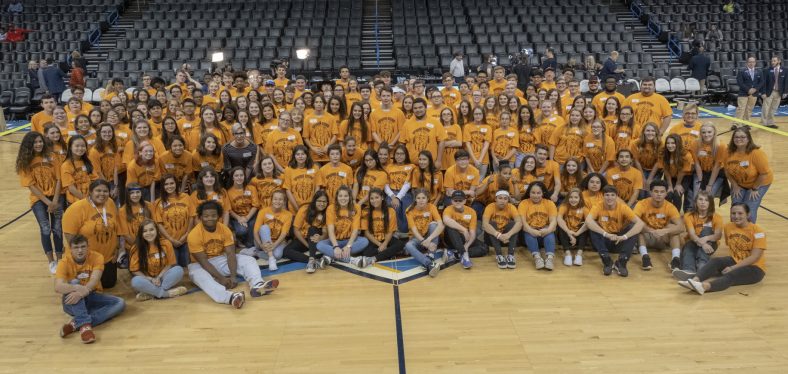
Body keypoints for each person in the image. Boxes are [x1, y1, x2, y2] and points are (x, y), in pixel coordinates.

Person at [187, 200, 279, 308]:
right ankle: (230, 297)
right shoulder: (194, 235)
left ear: (219, 216)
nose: (210, 218)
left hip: (220, 259)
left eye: (213, 215)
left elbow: (231, 254)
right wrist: (221, 278)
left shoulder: (224, 229)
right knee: (197, 274)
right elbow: (203, 262)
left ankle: (257, 285)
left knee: (248, 260)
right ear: (200, 217)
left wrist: (233, 276)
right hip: (200, 265)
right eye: (206, 216)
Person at [675, 203, 765, 295]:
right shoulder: (728, 227)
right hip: (735, 260)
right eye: (733, 213)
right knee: (716, 261)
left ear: (748, 214)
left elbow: (754, 257)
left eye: (740, 213)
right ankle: (694, 281)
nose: (736, 216)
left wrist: (732, 267)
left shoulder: (758, 231)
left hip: (755, 268)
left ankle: (704, 287)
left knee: (731, 275)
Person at [54, 234, 125, 344]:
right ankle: (85, 328)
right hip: (71, 302)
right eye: (76, 247)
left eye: (83, 247)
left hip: (92, 295)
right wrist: (76, 288)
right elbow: (58, 287)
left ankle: (75, 324)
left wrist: (83, 292)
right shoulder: (63, 262)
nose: (80, 250)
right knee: (74, 282)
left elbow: (95, 280)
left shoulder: (97, 257)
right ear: (70, 249)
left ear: (88, 247)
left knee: (120, 303)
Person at [16, 131, 64, 273]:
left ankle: (60, 260)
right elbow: (31, 185)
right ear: (28, 145)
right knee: (45, 229)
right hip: (38, 199)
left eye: (40, 141)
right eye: (35, 142)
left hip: (56, 196)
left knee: (57, 229)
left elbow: (59, 179)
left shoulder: (52, 156)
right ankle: (51, 262)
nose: (38, 144)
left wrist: (54, 200)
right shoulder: (25, 161)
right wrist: (47, 202)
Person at [63, 180, 119, 289]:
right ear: (90, 192)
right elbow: (71, 239)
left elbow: (116, 229)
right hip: (87, 261)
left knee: (109, 284)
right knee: (88, 288)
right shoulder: (75, 209)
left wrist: (116, 249)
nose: (102, 194)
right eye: (98, 191)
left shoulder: (111, 203)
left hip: (107, 258)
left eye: (105, 191)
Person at [585, 185, 645, 276]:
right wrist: (606, 234)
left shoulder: (623, 207)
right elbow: (588, 221)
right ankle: (606, 260)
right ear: (603, 196)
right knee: (592, 227)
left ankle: (622, 261)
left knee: (633, 228)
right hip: (604, 240)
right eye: (607, 195)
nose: (610, 198)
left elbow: (640, 223)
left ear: (616, 196)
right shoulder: (597, 206)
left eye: (612, 195)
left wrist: (624, 237)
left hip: (619, 240)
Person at [129, 219, 187, 301]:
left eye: (151, 229)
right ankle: (165, 294)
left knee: (179, 270)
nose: (149, 233)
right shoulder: (135, 248)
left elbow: (169, 264)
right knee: (135, 281)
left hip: (162, 277)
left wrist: (159, 277)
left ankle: (152, 293)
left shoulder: (166, 243)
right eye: (145, 231)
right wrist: (151, 279)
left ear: (157, 230)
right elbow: (135, 270)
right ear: (141, 234)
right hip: (147, 279)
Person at [633, 180, 684, 271]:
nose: (659, 194)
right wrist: (651, 230)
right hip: (647, 236)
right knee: (638, 227)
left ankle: (675, 259)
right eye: (656, 191)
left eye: (662, 192)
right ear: (650, 192)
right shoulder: (642, 204)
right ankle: (645, 257)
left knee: (673, 229)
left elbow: (680, 227)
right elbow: (634, 220)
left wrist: (665, 231)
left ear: (666, 193)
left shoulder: (670, 207)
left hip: (662, 237)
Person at [723, 127, 772, 223]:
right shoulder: (728, 152)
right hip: (739, 183)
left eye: (742, 137)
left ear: (748, 139)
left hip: (759, 183)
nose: (739, 139)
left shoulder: (757, 153)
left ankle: (748, 233)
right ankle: (734, 231)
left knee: (749, 208)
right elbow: (726, 170)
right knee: (735, 207)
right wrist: (734, 185)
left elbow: (764, 173)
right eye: (736, 137)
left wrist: (754, 188)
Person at [315, 186, 369, 266]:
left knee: (364, 241)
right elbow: (330, 231)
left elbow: (355, 230)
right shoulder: (331, 208)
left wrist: (349, 246)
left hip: (349, 240)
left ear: (350, 197)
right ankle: (352, 260)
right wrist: (335, 246)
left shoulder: (356, 207)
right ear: (336, 197)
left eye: (346, 196)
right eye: (340, 196)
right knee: (320, 245)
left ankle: (331, 256)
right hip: (334, 241)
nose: (343, 198)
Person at [675, 190, 723, 277]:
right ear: (696, 202)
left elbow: (718, 235)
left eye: (706, 200)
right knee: (688, 248)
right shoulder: (688, 216)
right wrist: (703, 243)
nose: (703, 202)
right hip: (693, 242)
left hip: (710, 244)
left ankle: (702, 265)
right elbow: (692, 234)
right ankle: (689, 271)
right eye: (700, 199)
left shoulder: (717, 217)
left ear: (710, 203)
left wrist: (705, 239)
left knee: (707, 230)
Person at [281, 190, 329, 273]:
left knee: (312, 229)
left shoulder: (327, 212)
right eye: (319, 201)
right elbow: (296, 230)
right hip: (304, 238)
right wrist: (308, 245)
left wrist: (321, 237)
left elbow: (325, 232)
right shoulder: (304, 209)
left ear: (327, 202)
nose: (322, 204)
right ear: (314, 201)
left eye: (324, 201)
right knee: (286, 251)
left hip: (316, 238)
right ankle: (314, 261)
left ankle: (311, 259)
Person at [153, 174, 195, 267]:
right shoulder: (158, 202)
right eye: (166, 184)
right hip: (168, 241)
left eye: (172, 183)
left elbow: (192, 217)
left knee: (186, 264)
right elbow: (159, 225)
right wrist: (171, 240)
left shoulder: (186, 197)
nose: (169, 186)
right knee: (173, 267)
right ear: (163, 187)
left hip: (185, 239)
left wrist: (186, 235)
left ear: (176, 184)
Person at [404, 189, 445, 277]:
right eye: (418, 198)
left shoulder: (432, 207)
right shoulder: (409, 210)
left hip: (428, 238)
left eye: (423, 198)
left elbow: (441, 225)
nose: (421, 200)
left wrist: (429, 240)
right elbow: (414, 230)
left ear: (427, 199)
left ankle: (431, 255)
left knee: (434, 225)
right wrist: (423, 241)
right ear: (415, 199)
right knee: (408, 245)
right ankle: (429, 263)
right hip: (417, 238)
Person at [359, 188, 405, 267]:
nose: (374, 200)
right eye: (372, 198)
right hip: (373, 240)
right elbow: (366, 233)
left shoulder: (390, 211)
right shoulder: (365, 211)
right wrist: (379, 244)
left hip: (386, 238)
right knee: (366, 253)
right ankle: (389, 253)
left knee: (400, 244)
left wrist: (385, 243)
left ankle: (374, 258)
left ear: (382, 198)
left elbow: (390, 231)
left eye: (377, 197)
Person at [518, 182, 558, 270]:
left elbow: (553, 222)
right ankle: (537, 258)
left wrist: (547, 230)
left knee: (550, 232)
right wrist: (532, 231)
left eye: (538, 193)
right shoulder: (523, 203)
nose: (536, 195)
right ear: (529, 193)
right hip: (529, 232)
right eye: (533, 193)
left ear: (543, 193)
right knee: (528, 233)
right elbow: (523, 224)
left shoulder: (549, 203)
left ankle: (550, 259)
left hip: (544, 231)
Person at [443, 190, 487, 269]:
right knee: (450, 227)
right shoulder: (448, 209)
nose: (458, 202)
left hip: (464, 238)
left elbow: (472, 233)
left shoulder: (471, 211)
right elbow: (446, 220)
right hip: (451, 238)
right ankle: (463, 255)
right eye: (455, 200)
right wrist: (464, 230)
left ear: (464, 201)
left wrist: (467, 245)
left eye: (460, 200)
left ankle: (455, 254)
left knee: (484, 248)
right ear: (452, 201)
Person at [251, 190, 292, 271]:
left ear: (284, 201)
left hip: (277, 242)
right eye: (275, 199)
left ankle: (255, 252)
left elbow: (284, 233)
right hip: (261, 242)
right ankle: (271, 259)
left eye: (280, 199)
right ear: (271, 200)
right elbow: (255, 231)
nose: (277, 201)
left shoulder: (288, 215)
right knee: (264, 227)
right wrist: (260, 244)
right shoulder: (262, 212)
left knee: (278, 256)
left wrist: (275, 244)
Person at [483, 190, 522, 269]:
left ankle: (510, 255)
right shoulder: (490, 207)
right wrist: (498, 235)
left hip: (506, 239)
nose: (502, 201)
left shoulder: (511, 207)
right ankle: (499, 255)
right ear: (495, 199)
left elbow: (519, 223)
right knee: (491, 223)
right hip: (493, 239)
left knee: (513, 224)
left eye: (505, 199)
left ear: (508, 200)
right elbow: (485, 224)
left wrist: (508, 234)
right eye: (500, 198)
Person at [557, 188, 589, 266]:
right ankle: (567, 254)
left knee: (585, 225)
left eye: (576, 197)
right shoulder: (563, 206)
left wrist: (577, 233)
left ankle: (579, 254)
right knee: (561, 225)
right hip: (566, 235)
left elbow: (589, 223)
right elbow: (559, 219)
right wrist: (569, 233)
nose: (573, 199)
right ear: (568, 198)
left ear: (580, 199)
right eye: (571, 197)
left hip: (578, 235)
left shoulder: (584, 209)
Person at [759, 56, 787, 129]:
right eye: (772, 61)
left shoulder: (785, 70)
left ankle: (770, 122)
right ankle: (763, 123)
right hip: (769, 92)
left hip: (779, 92)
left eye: (774, 61)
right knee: (765, 108)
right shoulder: (767, 70)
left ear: (779, 61)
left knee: (773, 108)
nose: (772, 62)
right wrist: (763, 92)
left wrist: (785, 92)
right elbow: (764, 82)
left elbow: (786, 82)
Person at [735, 57, 764, 123]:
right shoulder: (741, 71)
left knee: (749, 109)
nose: (751, 63)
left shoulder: (759, 71)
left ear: (755, 63)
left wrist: (755, 89)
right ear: (747, 63)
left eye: (753, 62)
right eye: (750, 62)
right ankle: (736, 124)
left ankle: (746, 123)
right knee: (741, 109)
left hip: (754, 93)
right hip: (743, 93)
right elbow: (740, 82)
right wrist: (748, 89)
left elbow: (761, 82)